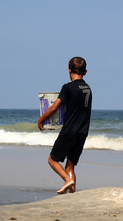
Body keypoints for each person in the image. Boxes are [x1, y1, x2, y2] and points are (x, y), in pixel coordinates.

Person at [38, 56, 92, 194]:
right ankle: (72, 195)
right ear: (85, 72)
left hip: (69, 131)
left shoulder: (67, 87)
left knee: (52, 160)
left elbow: (54, 108)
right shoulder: (88, 88)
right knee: (70, 166)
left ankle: (67, 181)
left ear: (69, 70)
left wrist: (41, 119)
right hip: (82, 132)